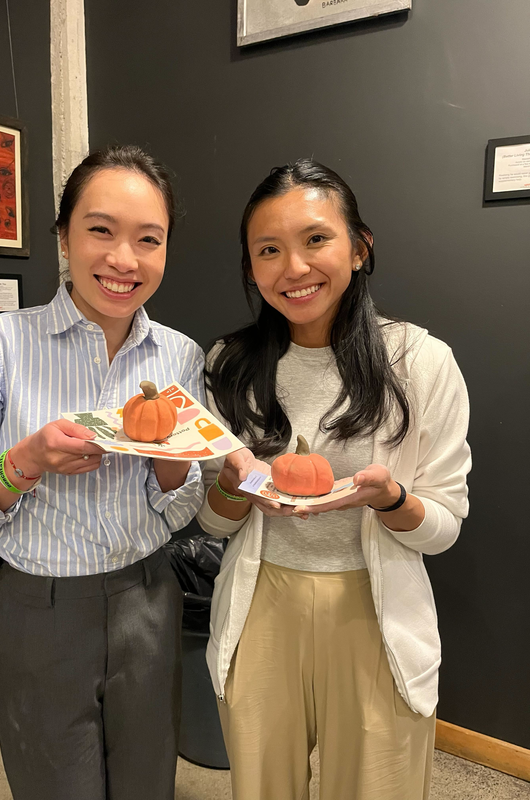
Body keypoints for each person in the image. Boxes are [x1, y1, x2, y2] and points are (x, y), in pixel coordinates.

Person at [0, 145, 204, 800]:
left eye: (148, 239)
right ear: (63, 235)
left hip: (148, 598)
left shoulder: (179, 355)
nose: (123, 260)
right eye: (100, 230)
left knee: (146, 783)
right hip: (38, 608)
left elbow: (181, 505)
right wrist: (26, 461)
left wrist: (172, 467)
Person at [197, 159, 471, 800]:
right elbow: (212, 524)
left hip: (375, 613)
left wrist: (390, 498)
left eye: (315, 239)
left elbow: (444, 527)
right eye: (268, 250)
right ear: (250, 267)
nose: (293, 268)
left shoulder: (421, 363)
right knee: (264, 786)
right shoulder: (226, 367)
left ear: (359, 246)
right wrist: (236, 485)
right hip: (261, 603)